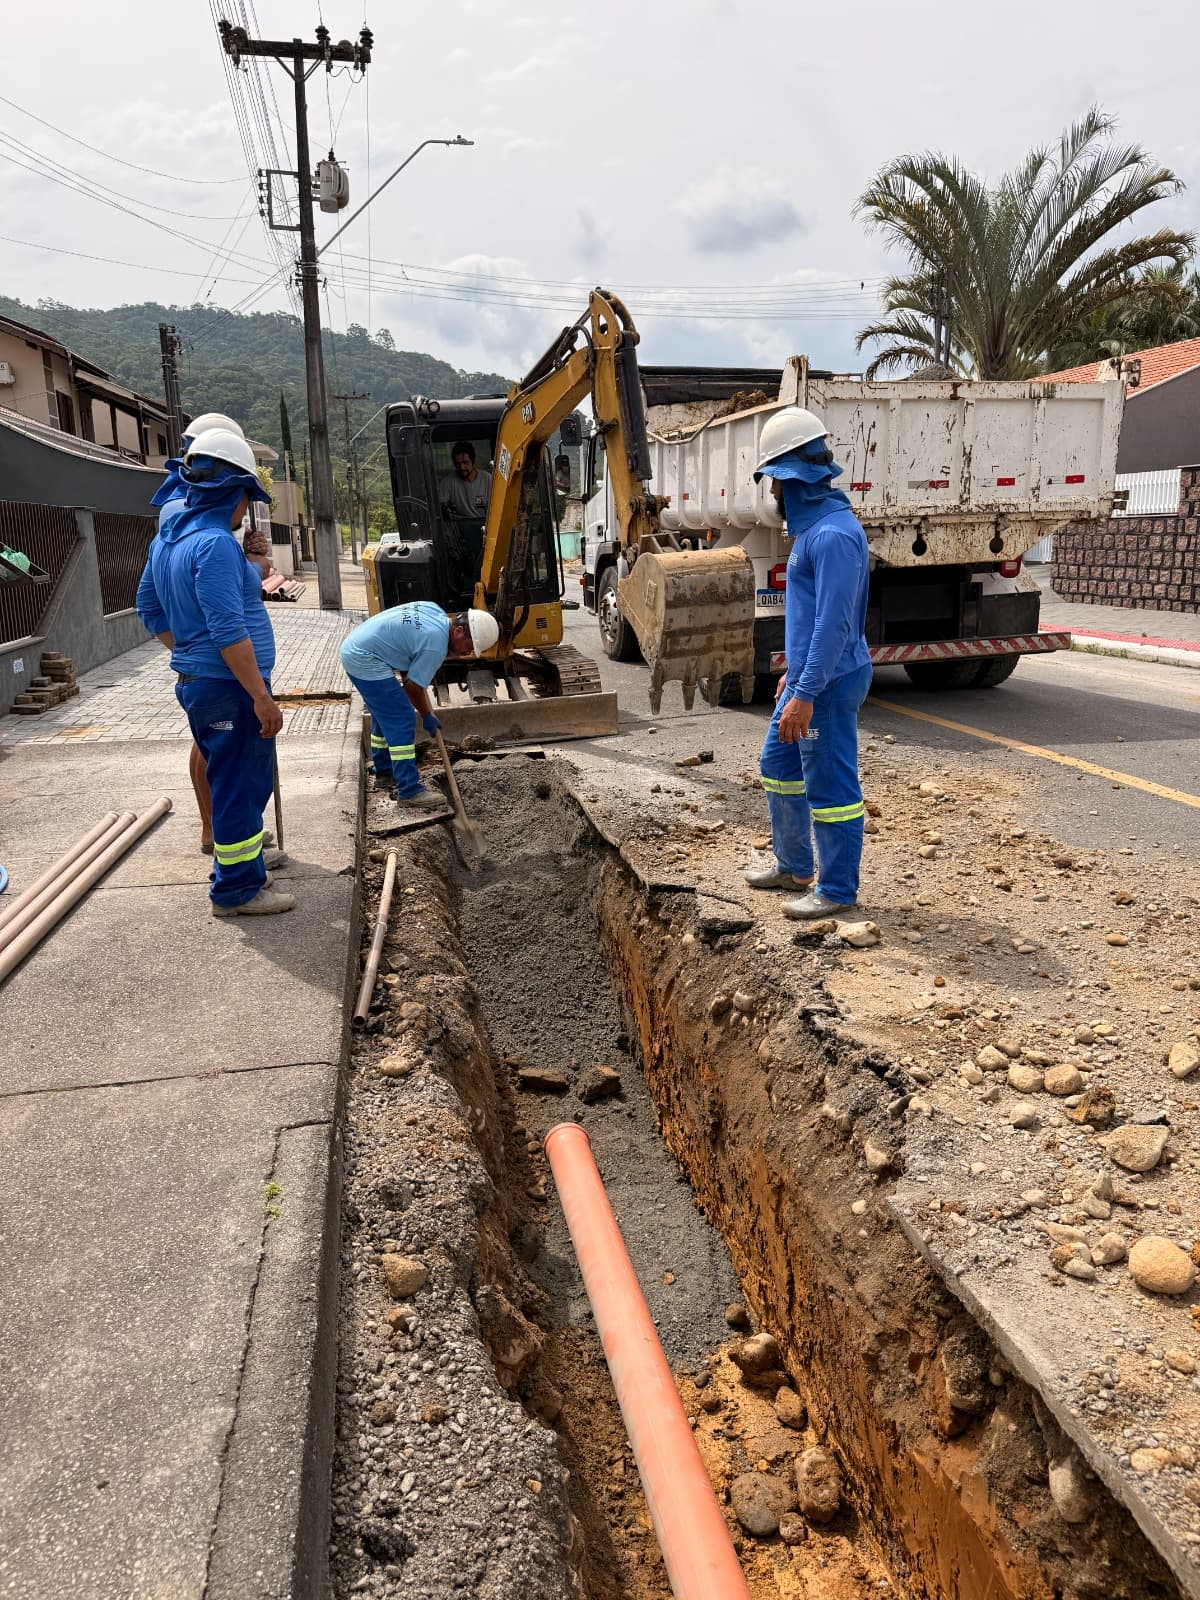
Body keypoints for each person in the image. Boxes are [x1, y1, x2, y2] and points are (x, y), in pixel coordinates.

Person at [136, 428, 293, 917]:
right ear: (233, 491)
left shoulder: (168, 541)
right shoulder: (215, 545)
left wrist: (187, 653)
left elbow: (148, 606)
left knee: (235, 782)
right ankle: (236, 892)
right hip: (228, 688)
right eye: (247, 496)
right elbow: (229, 632)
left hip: (198, 683)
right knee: (236, 785)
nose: (246, 509)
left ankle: (241, 873)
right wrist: (261, 697)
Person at [743, 406, 872, 919]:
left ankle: (837, 890)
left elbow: (833, 627)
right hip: (809, 679)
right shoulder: (813, 532)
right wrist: (792, 680)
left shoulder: (834, 537)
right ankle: (794, 866)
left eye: (775, 482)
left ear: (794, 480)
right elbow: (809, 620)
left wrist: (807, 692)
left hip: (831, 682)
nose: (773, 493)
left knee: (831, 787)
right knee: (777, 764)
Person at [339, 603, 500, 811]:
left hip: (357, 647)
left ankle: (385, 772)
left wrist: (414, 679)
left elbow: (408, 661)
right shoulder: (435, 645)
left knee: (385, 711)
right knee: (402, 717)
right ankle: (409, 790)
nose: (468, 653)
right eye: (469, 646)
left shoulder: (434, 611)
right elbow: (413, 688)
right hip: (365, 658)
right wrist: (426, 716)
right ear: (458, 631)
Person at [438, 441, 493, 522]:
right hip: (459, 528)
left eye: (465, 463)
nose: (462, 467)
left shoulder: (487, 479)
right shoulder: (447, 483)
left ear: (473, 461)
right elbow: (441, 508)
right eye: (458, 464)